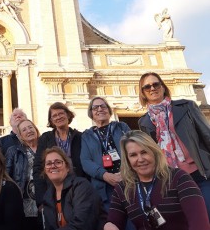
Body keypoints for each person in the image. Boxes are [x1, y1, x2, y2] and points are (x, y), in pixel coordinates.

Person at [138, 72, 210, 218]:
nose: (152, 88)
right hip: (172, 179)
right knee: (189, 219)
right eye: (147, 87)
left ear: (163, 87)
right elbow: (151, 153)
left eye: (156, 84)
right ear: (143, 93)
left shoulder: (186, 106)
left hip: (200, 173)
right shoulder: (143, 122)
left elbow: (207, 135)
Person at [104, 130, 210, 230]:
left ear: (154, 153)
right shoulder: (123, 188)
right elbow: (113, 222)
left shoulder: (179, 178)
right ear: (127, 160)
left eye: (144, 152)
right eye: (133, 155)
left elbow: (200, 224)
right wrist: (109, 226)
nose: (140, 159)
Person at [81, 96, 130, 211]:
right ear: (91, 114)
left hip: (127, 180)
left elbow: (134, 148)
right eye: (95, 108)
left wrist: (126, 172)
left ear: (109, 110)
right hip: (104, 187)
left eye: (103, 106)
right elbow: (85, 161)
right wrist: (105, 175)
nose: (100, 109)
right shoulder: (86, 136)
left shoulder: (121, 127)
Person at [33, 102, 86, 208]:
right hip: (53, 189)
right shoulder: (45, 138)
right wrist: (41, 199)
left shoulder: (81, 137)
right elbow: (38, 168)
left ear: (68, 115)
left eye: (61, 113)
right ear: (51, 120)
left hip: (78, 188)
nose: (58, 117)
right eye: (54, 116)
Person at [41, 146, 103, 230]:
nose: (53, 166)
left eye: (58, 162)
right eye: (48, 163)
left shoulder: (81, 186)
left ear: (67, 167)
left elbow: (82, 224)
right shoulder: (47, 196)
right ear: (45, 170)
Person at [6, 119, 40, 228]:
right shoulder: (13, 151)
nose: (29, 131)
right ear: (20, 135)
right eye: (24, 130)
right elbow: (6, 176)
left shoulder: (46, 148)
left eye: (30, 127)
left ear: (36, 129)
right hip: (23, 201)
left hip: (46, 200)